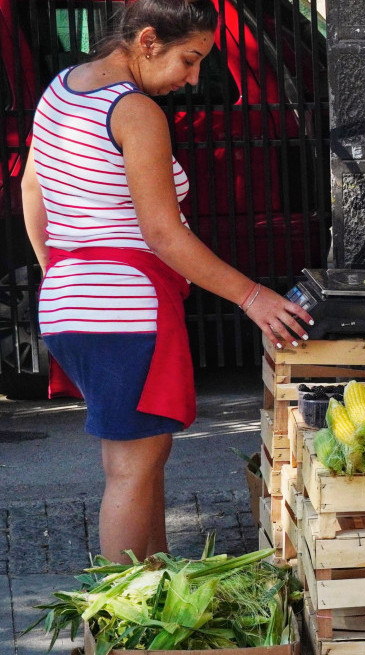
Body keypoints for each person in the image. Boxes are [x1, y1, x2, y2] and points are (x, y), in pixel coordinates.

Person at [19, 0, 314, 563]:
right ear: (148, 41)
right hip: (125, 313)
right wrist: (253, 297)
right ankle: (119, 622)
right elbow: (163, 233)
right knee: (132, 471)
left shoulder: (60, 87)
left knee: (136, 462)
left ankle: (151, 591)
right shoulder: (132, 111)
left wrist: (59, 273)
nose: (193, 77)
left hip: (68, 303)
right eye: (190, 58)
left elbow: (32, 193)